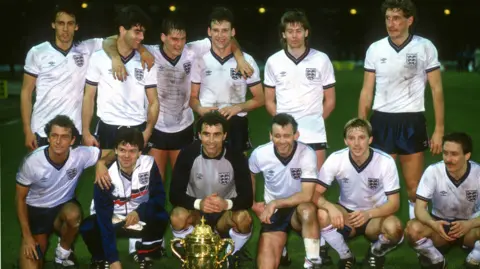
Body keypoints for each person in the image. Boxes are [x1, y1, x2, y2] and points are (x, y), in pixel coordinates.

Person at [104, 15, 254, 182]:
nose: (179, 44)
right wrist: (116, 58)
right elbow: (111, 40)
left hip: (184, 126)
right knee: (156, 180)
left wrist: (240, 58)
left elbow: (226, 40)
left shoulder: (191, 50)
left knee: (182, 181)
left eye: (182, 39)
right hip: (157, 127)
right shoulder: (150, 52)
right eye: (174, 39)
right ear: (163, 37)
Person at [358, 0, 445, 220]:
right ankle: (380, 239)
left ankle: (420, 240)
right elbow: (367, 91)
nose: (391, 23)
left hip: (411, 122)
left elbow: (436, 90)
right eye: (388, 18)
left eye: (397, 18)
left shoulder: (425, 47)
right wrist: (361, 126)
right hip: (381, 122)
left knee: (414, 188)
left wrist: (439, 129)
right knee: (376, 187)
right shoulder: (376, 49)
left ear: (409, 20)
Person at [263, 9, 336, 263]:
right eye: (289, 31)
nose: (294, 35)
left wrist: (311, 124)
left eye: (298, 30)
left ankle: (320, 245)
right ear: (283, 34)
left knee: (314, 191)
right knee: (280, 187)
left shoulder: (322, 60)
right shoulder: (273, 62)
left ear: (306, 32)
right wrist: (287, 132)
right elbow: (269, 102)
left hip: (313, 135)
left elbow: (330, 101)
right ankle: (280, 245)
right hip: (283, 136)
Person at [15, 115, 110, 269]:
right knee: (31, 266)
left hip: (62, 210)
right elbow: (20, 199)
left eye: (64, 137)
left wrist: (101, 162)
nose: (58, 141)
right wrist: (27, 237)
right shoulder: (32, 162)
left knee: (74, 215)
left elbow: (112, 152)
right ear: (49, 138)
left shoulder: (79, 154)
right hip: (37, 213)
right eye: (54, 136)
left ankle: (63, 253)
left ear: (72, 140)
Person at [314, 118, 404, 269]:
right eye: (351, 138)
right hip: (347, 214)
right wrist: (330, 207)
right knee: (322, 215)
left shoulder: (385, 161)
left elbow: (394, 203)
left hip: (375, 215)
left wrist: (368, 214)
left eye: (361, 137)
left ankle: (375, 252)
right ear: (345, 141)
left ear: (370, 139)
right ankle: (346, 256)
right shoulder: (336, 159)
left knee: (395, 229)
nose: (356, 143)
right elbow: (315, 194)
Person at [169, 111, 253, 268]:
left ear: (225, 135)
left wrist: (225, 204)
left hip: (224, 216)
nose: (211, 141)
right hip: (197, 216)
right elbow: (174, 194)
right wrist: (199, 204)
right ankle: (191, 253)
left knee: (244, 218)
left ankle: (230, 254)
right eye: (206, 134)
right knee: (177, 216)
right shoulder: (187, 154)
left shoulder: (236, 156)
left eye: (217, 135)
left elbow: (247, 198)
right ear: (199, 135)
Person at [80, 127, 168, 269]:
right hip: (112, 217)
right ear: (115, 150)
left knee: (160, 215)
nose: (127, 156)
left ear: (140, 152)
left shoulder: (149, 165)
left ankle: (146, 252)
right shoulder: (105, 174)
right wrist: (114, 259)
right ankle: (101, 258)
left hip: (138, 215)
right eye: (122, 150)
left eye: (132, 151)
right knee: (89, 226)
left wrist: (140, 212)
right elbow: (103, 218)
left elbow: (159, 197)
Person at [20, 2, 104, 151]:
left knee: (71, 174)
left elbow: (117, 40)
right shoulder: (37, 52)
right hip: (42, 130)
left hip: (73, 132)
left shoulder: (86, 48)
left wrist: (140, 52)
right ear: (53, 24)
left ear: (76, 26)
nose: (65, 29)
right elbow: (26, 92)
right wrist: (27, 130)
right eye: (61, 23)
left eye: (70, 24)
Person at [249, 113, 323, 269]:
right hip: (273, 214)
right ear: (270, 136)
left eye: (287, 136)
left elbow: (307, 195)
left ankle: (312, 261)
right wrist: (253, 203)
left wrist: (275, 203)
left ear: (296, 135)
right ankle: (281, 250)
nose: (282, 141)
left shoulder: (307, 153)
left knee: (308, 210)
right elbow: (251, 174)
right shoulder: (260, 154)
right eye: (277, 136)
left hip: (297, 210)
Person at [82, 5, 159, 150]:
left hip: (137, 127)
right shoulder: (99, 57)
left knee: (137, 172)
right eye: (137, 32)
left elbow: (154, 101)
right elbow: (89, 97)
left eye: (143, 32)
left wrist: (148, 131)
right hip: (108, 127)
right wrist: (86, 131)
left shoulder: (146, 60)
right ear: (122, 30)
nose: (142, 37)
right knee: (105, 171)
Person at [189, 7, 264, 154]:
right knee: (205, 171)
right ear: (209, 32)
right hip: (207, 122)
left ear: (232, 32)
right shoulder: (199, 59)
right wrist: (200, 109)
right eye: (216, 30)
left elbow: (260, 98)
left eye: (225, 30)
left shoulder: (246, 61)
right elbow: (192, 97)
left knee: (240, 171)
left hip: (236, 123)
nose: (220, 35)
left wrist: (238, 107)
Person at [405, 132, 480, 269]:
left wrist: (470, 224)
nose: (448, 159)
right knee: (412, 229)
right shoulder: (433, 171)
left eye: (454, 154)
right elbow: (420, 208)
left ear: (467, 155)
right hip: (441, 227)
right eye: (445, 153)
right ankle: (436, 259)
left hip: (470, 229)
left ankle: (475, 257)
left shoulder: (478, 173)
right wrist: (433, 224)